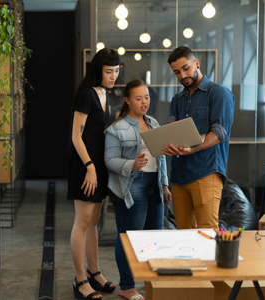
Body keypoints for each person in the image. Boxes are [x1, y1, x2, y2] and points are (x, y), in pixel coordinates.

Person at [104, 79, 171, 300]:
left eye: (147, 97)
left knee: (154, 237)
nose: (144, 102)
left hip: (154, 186)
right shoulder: (116, 128)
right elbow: (109, 160)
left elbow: (160, 158)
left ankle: (151, 283)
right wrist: (131, 165)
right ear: (127, 100)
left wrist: (164, 184)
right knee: (129, 237)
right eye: (138, 98)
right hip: (132, 185)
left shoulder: (153, 123)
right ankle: (127, 286)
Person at [163, 46, 235, 231]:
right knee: (184, 233)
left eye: (186, 68)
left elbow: (219, 132)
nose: (182, 75)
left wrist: (193, 149)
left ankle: (209, 262)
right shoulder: (177, 100)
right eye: (177, 72)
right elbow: (171, 129)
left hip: (206, 172)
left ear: (196, 63)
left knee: (207, 231)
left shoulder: (219, 93)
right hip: (179, 176)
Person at [67, 48, 119, 300]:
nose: (113, 76)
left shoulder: (105, 93)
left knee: (94, 220)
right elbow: (76, 135)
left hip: (99, 165)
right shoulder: (86, 95)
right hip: (86, 166)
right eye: (109, 71)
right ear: (98, 70)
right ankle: (80, 280)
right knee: (83, 221)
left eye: (117, 71)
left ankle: (94, 271)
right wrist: (89, 167)